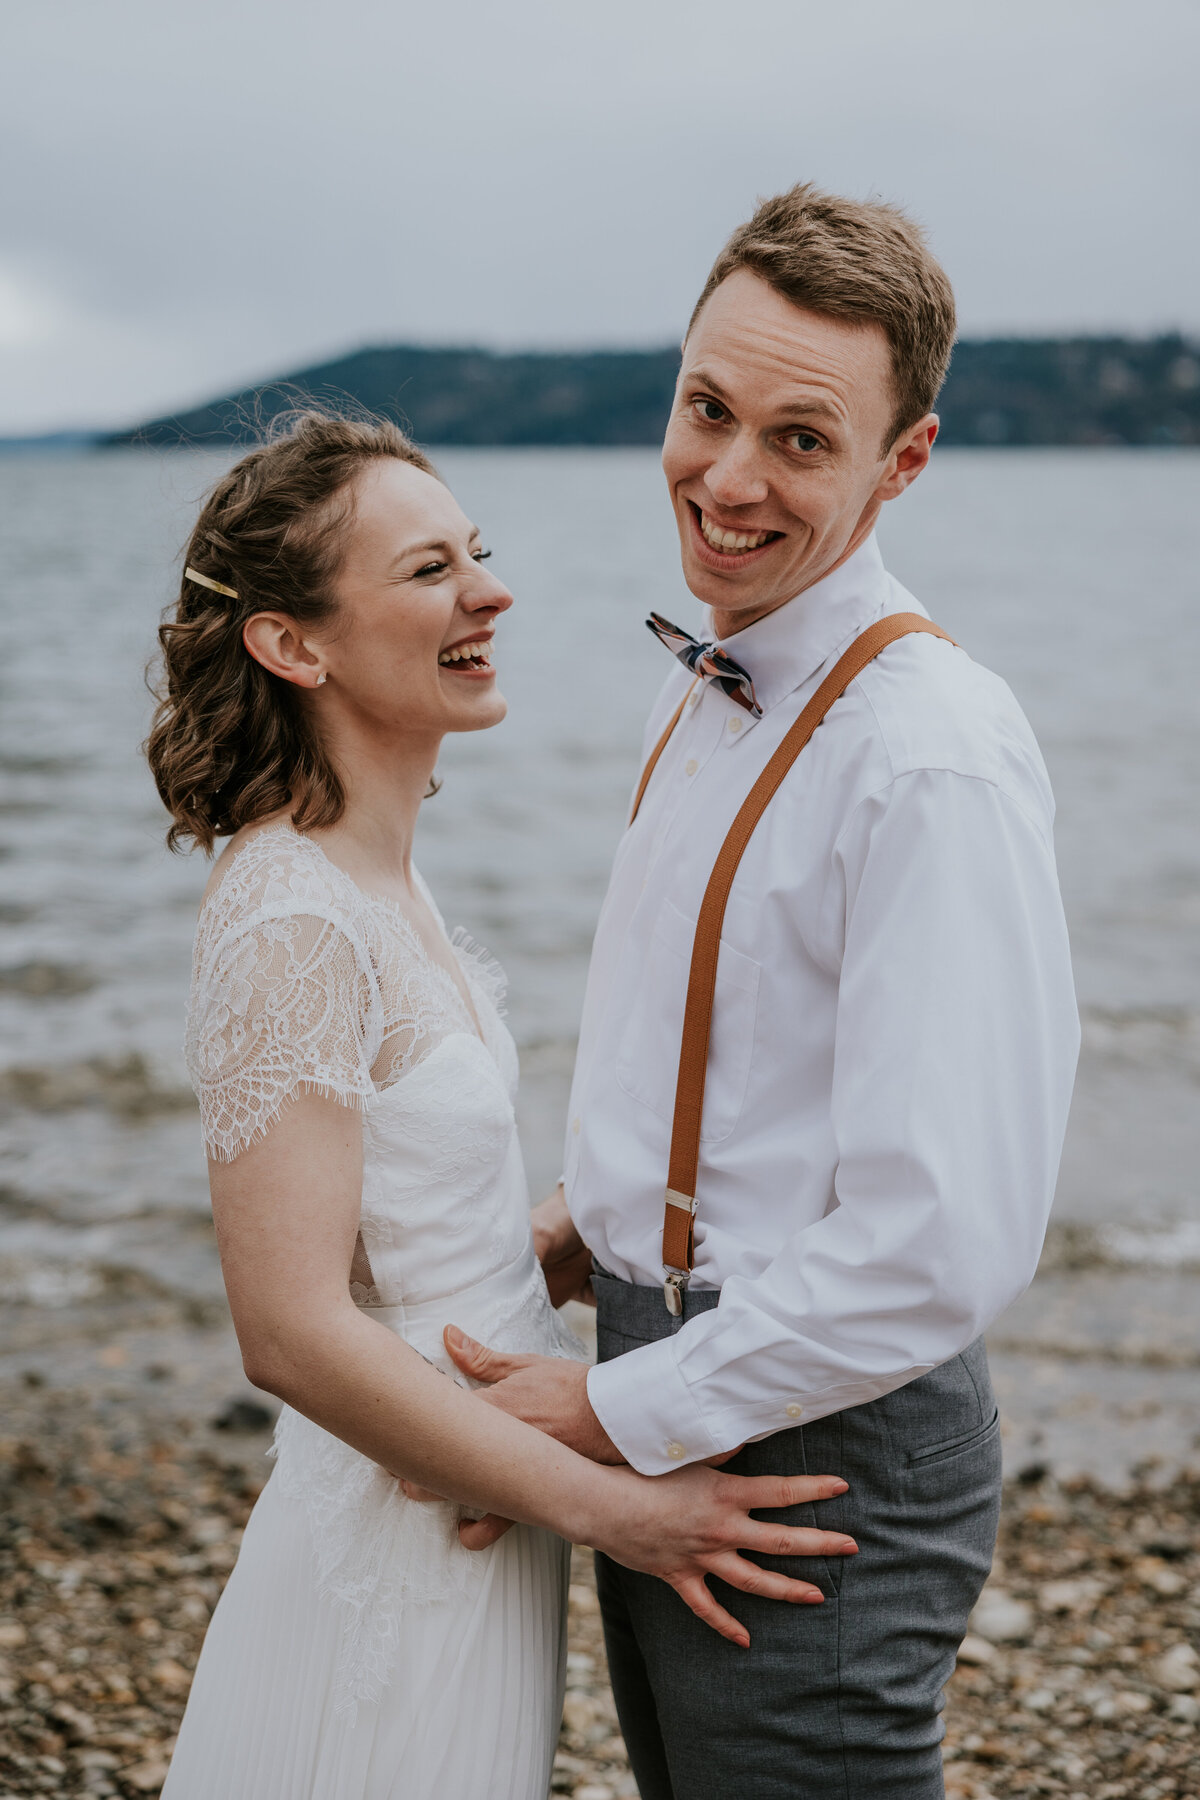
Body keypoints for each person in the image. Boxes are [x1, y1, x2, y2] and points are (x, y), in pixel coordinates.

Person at [444, 186, 1081, 1797]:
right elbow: (750, 1063)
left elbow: (940, 1240)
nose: (726, 480)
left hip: (818, 1442)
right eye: (707, 409)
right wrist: (593, 1223)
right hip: (683, 1360)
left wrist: (609, 1413)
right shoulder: (728, 676)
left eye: (802, 439)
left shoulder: (926, 758)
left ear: (904, 461)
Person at [145, 412, 857, 1800]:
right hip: (403, 1521)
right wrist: (626, 1513)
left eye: (478, 551)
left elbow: (401, 1211)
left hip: (475, 1486)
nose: (491, 591)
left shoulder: (379, 880)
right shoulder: (288, 914)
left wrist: (563, 1231)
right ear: (294, 645)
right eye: (428, 572)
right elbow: (290, 1330)